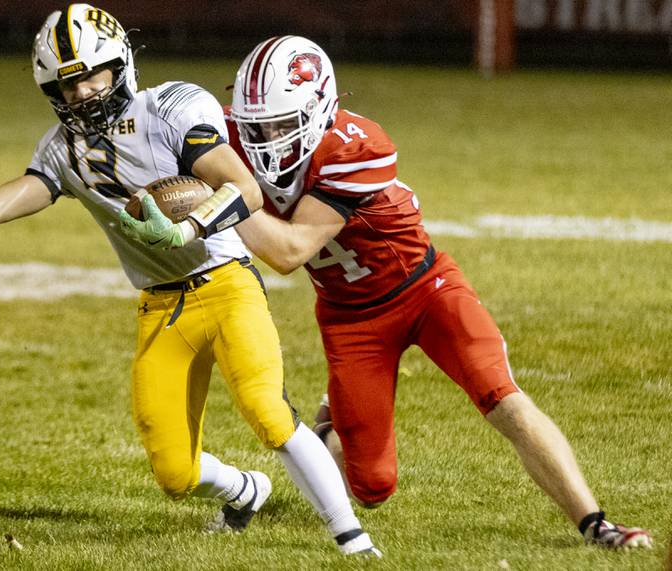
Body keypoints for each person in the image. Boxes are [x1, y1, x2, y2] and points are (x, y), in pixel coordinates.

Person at [0, 8, 380, 556]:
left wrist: (185, 228)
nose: (86, 92)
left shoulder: (170, 109)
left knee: (267, 411)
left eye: (94, 74)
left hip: (227, 283)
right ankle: (245, 490)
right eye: (69, 84)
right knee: (173, 472)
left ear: (122, 64)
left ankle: (351, 540)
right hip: (162, 307)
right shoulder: (63, 150)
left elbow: (246, 190)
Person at [222, 35, 652, 550]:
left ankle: (596, 524)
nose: (264, 137)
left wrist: (219, 198)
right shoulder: (228, 131)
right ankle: (330, 428)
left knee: (503, 399)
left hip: (426, 290)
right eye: (254, 125)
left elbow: (290, 252)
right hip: (350, 318)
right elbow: (174, 129)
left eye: (280, 125)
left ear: (318, 110)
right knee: (372, 487)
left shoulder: (357, 148)